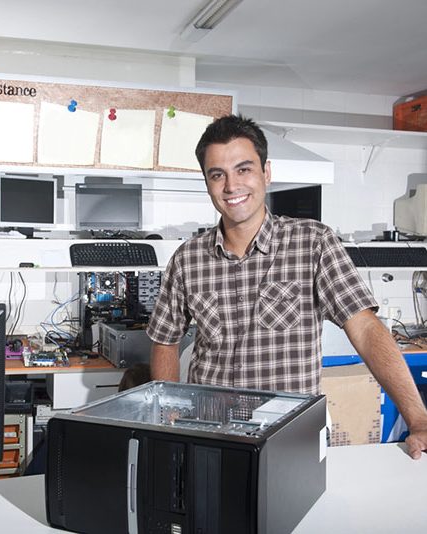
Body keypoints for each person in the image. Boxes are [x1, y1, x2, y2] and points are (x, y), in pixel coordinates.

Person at [146, 114, 427, 459]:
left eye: (244, 169)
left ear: (266, 173)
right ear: (207, 183)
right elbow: (165, 340)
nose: (231, 186)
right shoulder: (187, 258)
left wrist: (418, 419)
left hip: (291, 437)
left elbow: (366, 328)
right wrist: (169, 417)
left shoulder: (313, 243)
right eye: (217, 174)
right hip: (211, 435)